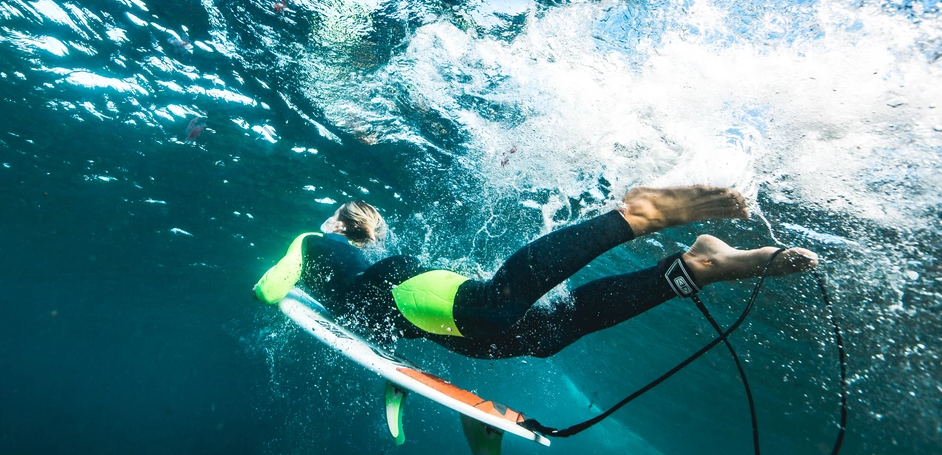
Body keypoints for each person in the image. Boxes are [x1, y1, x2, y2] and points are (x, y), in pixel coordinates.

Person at [254, 186, 818, 359]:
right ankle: (693, 267)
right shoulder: (365, 254)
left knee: (497, 306)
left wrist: (286, 295)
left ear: (335, 223)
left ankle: (635, 214)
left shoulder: (309, 240)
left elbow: (269, 286)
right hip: (424, 316)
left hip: (416, 298)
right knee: (544, 335)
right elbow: (381, 349)